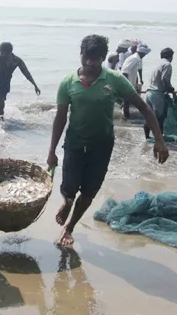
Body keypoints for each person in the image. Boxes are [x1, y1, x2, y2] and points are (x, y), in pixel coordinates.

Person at [46, 34, 169, 246]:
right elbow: (60, 118)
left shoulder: (114, 79)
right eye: (86, 57)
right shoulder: (68, 83)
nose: (90, 63)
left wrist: (159, 139)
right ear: (81, 55)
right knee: (69, 186)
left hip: (102, 145)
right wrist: (51, 150)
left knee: (89, 190)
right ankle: (66, 202)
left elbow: (144, 107)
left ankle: (69, 227)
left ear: (103, 57)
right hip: (75, 143)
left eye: (95, 58)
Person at [0, 42, 40, 120]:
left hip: (6, 84)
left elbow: (26, 73)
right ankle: (2, 123)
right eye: (0, 52)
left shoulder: (17, 60)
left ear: (9, 52)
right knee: (1, 104)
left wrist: (35, 86)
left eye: (2, 53)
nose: (1, 54)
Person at [144, 48, 177, 139]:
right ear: (170, 56)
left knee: (149, 116)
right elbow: (165, 80)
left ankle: (147, 137)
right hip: (157, 94)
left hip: (148, 93)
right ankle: (159, 138)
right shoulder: (167, 64)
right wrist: (173, 93)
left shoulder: (157, 64)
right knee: (160, 117)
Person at [120, 45, 151, 118]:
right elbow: (125, 72)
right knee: (126, 103)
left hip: (130, 83)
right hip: (127, 84)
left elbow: (134, 72)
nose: (145, 55)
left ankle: (125, 117)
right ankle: (126, 118)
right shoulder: (134, 59)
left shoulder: (136, 58)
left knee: (127, 102)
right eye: (145, 54)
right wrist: (126, 85)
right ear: (142, 53)